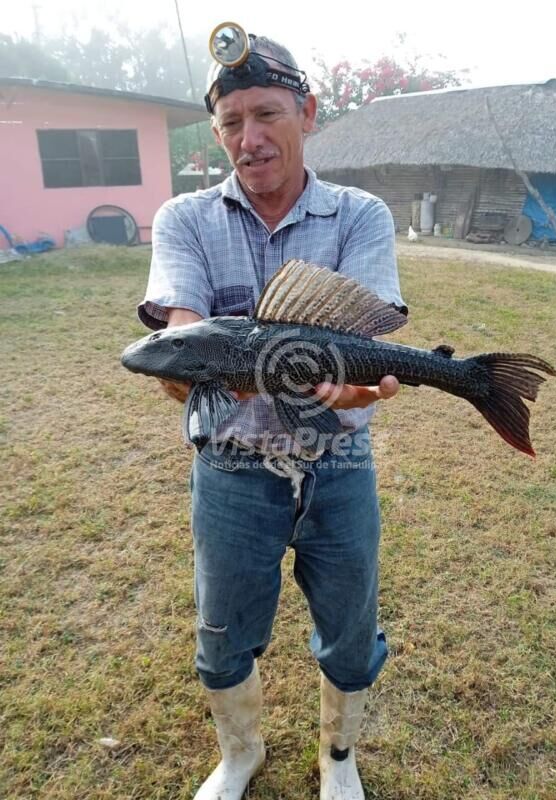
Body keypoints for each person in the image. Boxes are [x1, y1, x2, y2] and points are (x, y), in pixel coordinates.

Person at [137, 26, 407, 800]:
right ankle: (239, 753)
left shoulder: (359, 214)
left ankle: (340, 757)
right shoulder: (185, 218)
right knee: (221, 634)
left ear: (308, 112)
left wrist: (358, 388)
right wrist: (184, 367)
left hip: (340, 463)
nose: (248, 140)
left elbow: (369, 342)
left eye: (266, 114)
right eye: (230, 124)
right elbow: (182, 334)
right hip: (229, 470)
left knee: (352, 633)